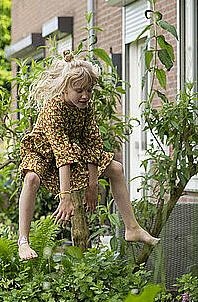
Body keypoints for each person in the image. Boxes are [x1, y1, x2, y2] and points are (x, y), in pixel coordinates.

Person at [17, 50, 159, 260]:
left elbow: (92, 144)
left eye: (89, 90)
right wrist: (65, 198)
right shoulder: (52, 108)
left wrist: (93, 186)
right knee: (31, 179)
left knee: (116, 169)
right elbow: (61, 152)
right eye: (79, 90)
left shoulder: (86, 107)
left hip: (71, 154)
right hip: (43, 153)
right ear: (64, 89)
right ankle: (23, 241)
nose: (85, 95)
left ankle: (132, 227)